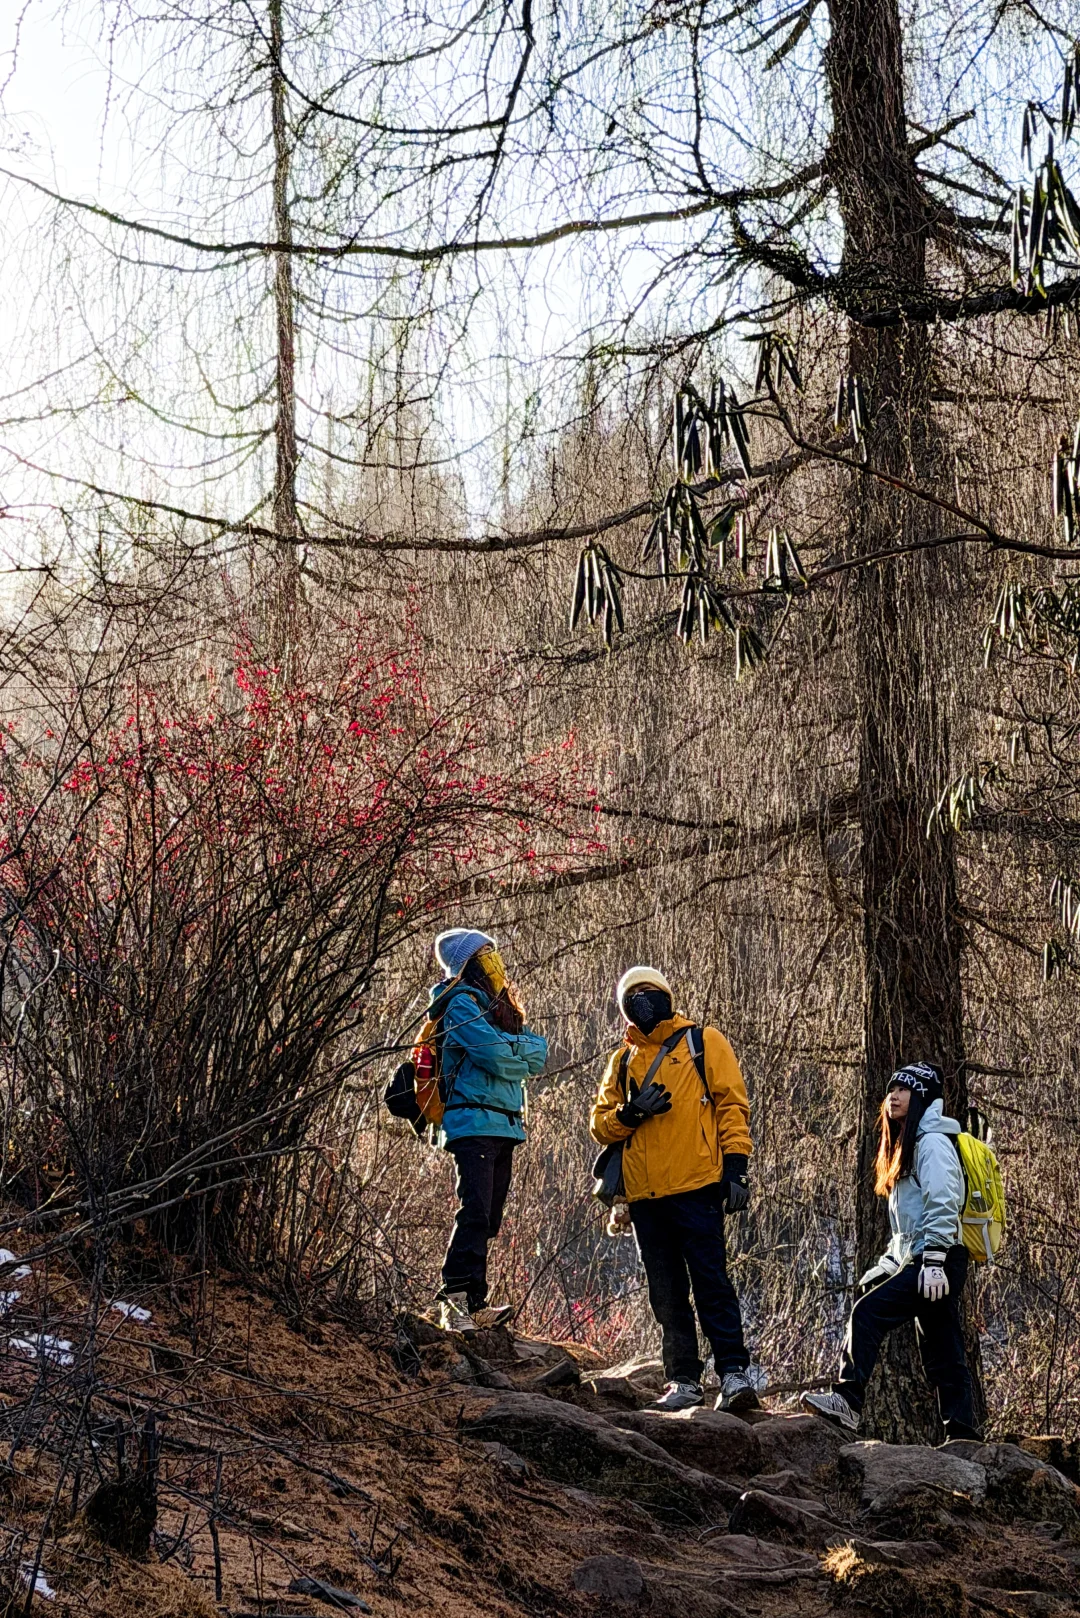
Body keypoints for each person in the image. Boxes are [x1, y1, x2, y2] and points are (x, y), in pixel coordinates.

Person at [590, 965, 759, 1413]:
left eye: (650, 992)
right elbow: (600, 1125)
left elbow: (732, 1105)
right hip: (645, 1197)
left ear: (666, 995)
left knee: (711, 1283)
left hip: (697, 1186)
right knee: (666, 1294)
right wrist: (631, 1113)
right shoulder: (621, 1061)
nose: (643, 1000)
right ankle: (683, 1379)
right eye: (633, 996)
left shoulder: (703, 1041)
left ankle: (734, 1375)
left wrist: (736, 1167)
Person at [801, 1062, 980, 1442]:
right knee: (942, 1347)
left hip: (938, 1257)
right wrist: (887, 1266)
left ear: (922, 1097)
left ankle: (847, 1401)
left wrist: (934, 1262)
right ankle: (963, 1433)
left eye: (904, 1090)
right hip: (927, 1257)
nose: (893, 1097)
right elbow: (906, 1229)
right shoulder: (910, 1145)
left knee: (867, 1313)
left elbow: (944, 1204)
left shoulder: (932, 1143)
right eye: (891, 1089)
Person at [429, 928, 547, 1334]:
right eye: (485, 956)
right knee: (475, 1211)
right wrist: (515, 1051)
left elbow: (539, 1051)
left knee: (489, 1217)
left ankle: (474, 1301)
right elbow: (495, 1055)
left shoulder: (499, 1007)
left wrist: (511, 1049)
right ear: (469, 964)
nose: (494, 963)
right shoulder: (460, 1004)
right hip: (473, 1122)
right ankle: (455, 1301)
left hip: (504, 1124)